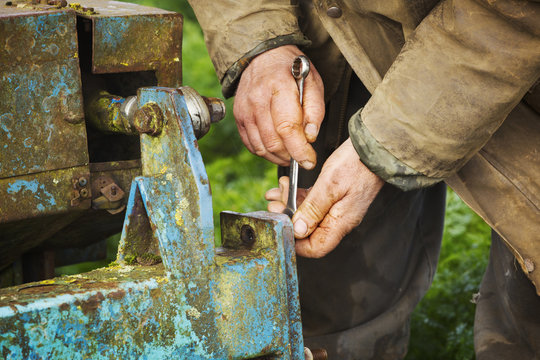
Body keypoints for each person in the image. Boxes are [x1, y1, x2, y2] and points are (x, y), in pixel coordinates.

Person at [188, 0, 540, 358]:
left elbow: (514, 15)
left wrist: (379, 147)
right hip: (336, 38)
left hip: (504, 48)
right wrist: (261, 44)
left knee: (526, 312)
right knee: (330, 307)